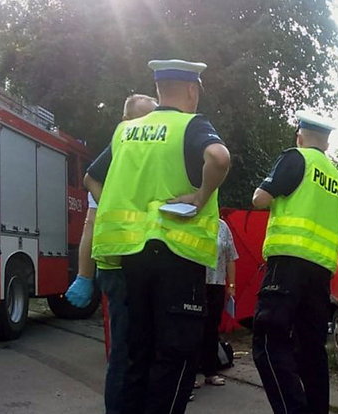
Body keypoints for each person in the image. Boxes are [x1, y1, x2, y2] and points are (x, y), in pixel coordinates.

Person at [85, 59, 231, 414]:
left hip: (129, 258)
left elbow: (92, 177)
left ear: (158, 90)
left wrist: (113, 208)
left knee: (135, 354)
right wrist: (200, 196)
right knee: (175, 356)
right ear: (192, 91)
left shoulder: (126, 132)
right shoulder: (190, 125)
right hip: (176, 258)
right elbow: (219, 157)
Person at [251, 110, 338, 414]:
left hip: (288, 263)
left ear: (300, 136)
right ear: (328, 144)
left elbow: (260, 199)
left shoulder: (296, 158)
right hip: (320, 272)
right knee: (311, 351)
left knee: (268, 343)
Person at [65, 94, 157, 414]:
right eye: (147, 118)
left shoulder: (130, 163)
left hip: (139, 264)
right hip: (120, 266)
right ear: (126, 125)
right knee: (125, 352)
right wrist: (83, 275)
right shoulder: (115, 160)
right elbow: (90, 222)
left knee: (139, 350)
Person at [193, 218, 238, 391]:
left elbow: (230, 257)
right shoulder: (194, 221)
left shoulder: (222, 226)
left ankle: (210, 372)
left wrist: (231, 286)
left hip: (217, 283)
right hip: (195, 282)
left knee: (212, 328)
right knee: (194, 329)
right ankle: (190, 374)